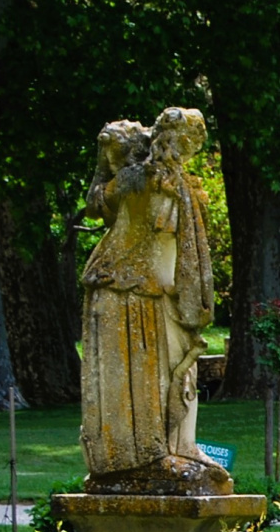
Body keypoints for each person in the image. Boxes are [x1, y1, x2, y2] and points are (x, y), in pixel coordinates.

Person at [78, 107, 229, 494]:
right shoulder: (138, 181)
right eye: (180, 141)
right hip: (125, 290)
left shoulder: (176, 184)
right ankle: (141, 458)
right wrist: (109, 167)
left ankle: (180, 447)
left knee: (179, 369)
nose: (184, 149)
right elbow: (99, 202)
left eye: (190, 144)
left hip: (160, 293)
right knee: (144, 377)